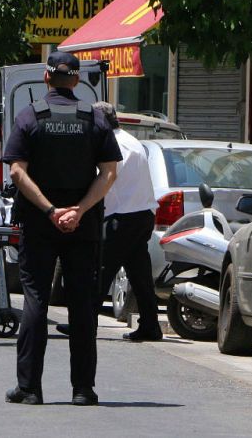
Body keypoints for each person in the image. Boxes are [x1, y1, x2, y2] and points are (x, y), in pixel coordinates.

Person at [3, 52, 121, 407]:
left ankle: (29, 388)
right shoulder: (94, 119)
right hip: (82, 226)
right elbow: (110, 172)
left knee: (36, 300)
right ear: (76, 81)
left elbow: (16, 172)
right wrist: (79, 211)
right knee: (82, 304)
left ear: (46, 77)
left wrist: (51, 211)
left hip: (40, 223)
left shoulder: (30, 116)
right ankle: (83, 389)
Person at [94, 102, 162, 341]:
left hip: (122, 217)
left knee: (100, 270)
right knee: (140, 274)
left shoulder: (113, 144)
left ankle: (84, 324)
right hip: (142, 215)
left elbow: (106, 178)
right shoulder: (132, 141)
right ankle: (150, 325)